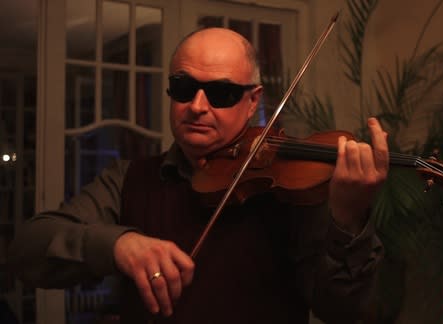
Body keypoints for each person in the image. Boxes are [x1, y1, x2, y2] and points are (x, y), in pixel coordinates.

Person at [9, 28, 389, 324]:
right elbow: (27, 249)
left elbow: (344, 311)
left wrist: (349, 220)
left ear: (253, 100)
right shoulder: (127, 178)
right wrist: (117, 245)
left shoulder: (291, 189)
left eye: (221, 93)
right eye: (184, 88)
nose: (197, 106)